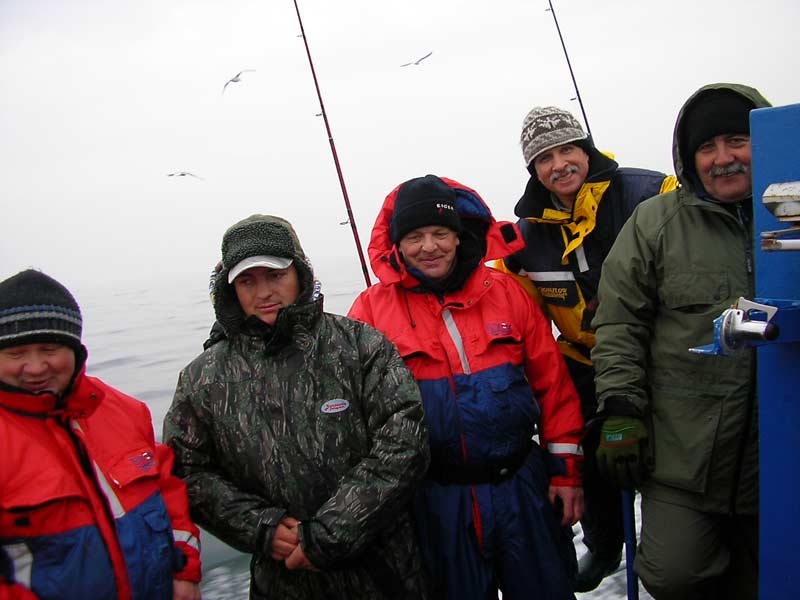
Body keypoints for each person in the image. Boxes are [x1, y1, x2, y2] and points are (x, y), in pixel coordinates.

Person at [163, 214, 431, 600]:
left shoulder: (361, 346)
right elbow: (187, 471)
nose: (264, 292)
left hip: (385, 572)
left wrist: (332, 530)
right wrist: (261, 528)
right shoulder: (202, 379)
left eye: (275, 275)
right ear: (230, 290)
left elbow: (405, 441)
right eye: (247, 281)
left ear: (300, 274)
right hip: (281, 580)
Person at [348, 174, 585, 599]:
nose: (429, 247)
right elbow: (356, 414)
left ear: (458, 236)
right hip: (434, 503)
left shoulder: (507, 292)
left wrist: (567, 474)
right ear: (397, 245)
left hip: (523, 488)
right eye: (415, 237)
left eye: (440, 233)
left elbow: (553, 386)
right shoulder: (369, 311)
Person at [591, 83, 771, 600]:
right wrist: (620, 408)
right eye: (707, 148)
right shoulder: (655, 222)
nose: (722, 158)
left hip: (779, 454)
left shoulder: (792, 217)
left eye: (737, 141)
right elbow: (619, 323)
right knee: (674, 576)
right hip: (683, 454)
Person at [495, 105, 679, 592]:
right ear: (533, 169)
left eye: (567, 150)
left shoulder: (651, 192)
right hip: (584, 357)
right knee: (582, 440)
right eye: (545, 158)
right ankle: (603, 542)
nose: (559, 165)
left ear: (586, 150)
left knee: (669, 450)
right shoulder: (525, 236)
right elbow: (508, 303)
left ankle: (673, 540)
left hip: (661, 350)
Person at [0, 269, 202, 600]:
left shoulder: (124, 411)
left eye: (49, 349)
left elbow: (167, 492)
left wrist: (185, 571)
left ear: (75, 350)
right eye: (16, 353)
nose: (35, 367)